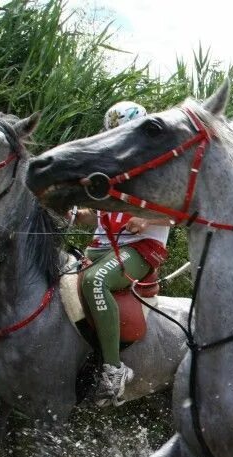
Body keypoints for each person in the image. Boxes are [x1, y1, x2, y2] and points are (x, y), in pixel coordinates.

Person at [69, 101, 174, 407]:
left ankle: (114, 369)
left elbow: (178, 215)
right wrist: (76, 215)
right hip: (100, 248)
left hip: (141, 250)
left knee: (95, 282)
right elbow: (95, 216)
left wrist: (147, 219)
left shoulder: (158, 173)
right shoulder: (108, 173)